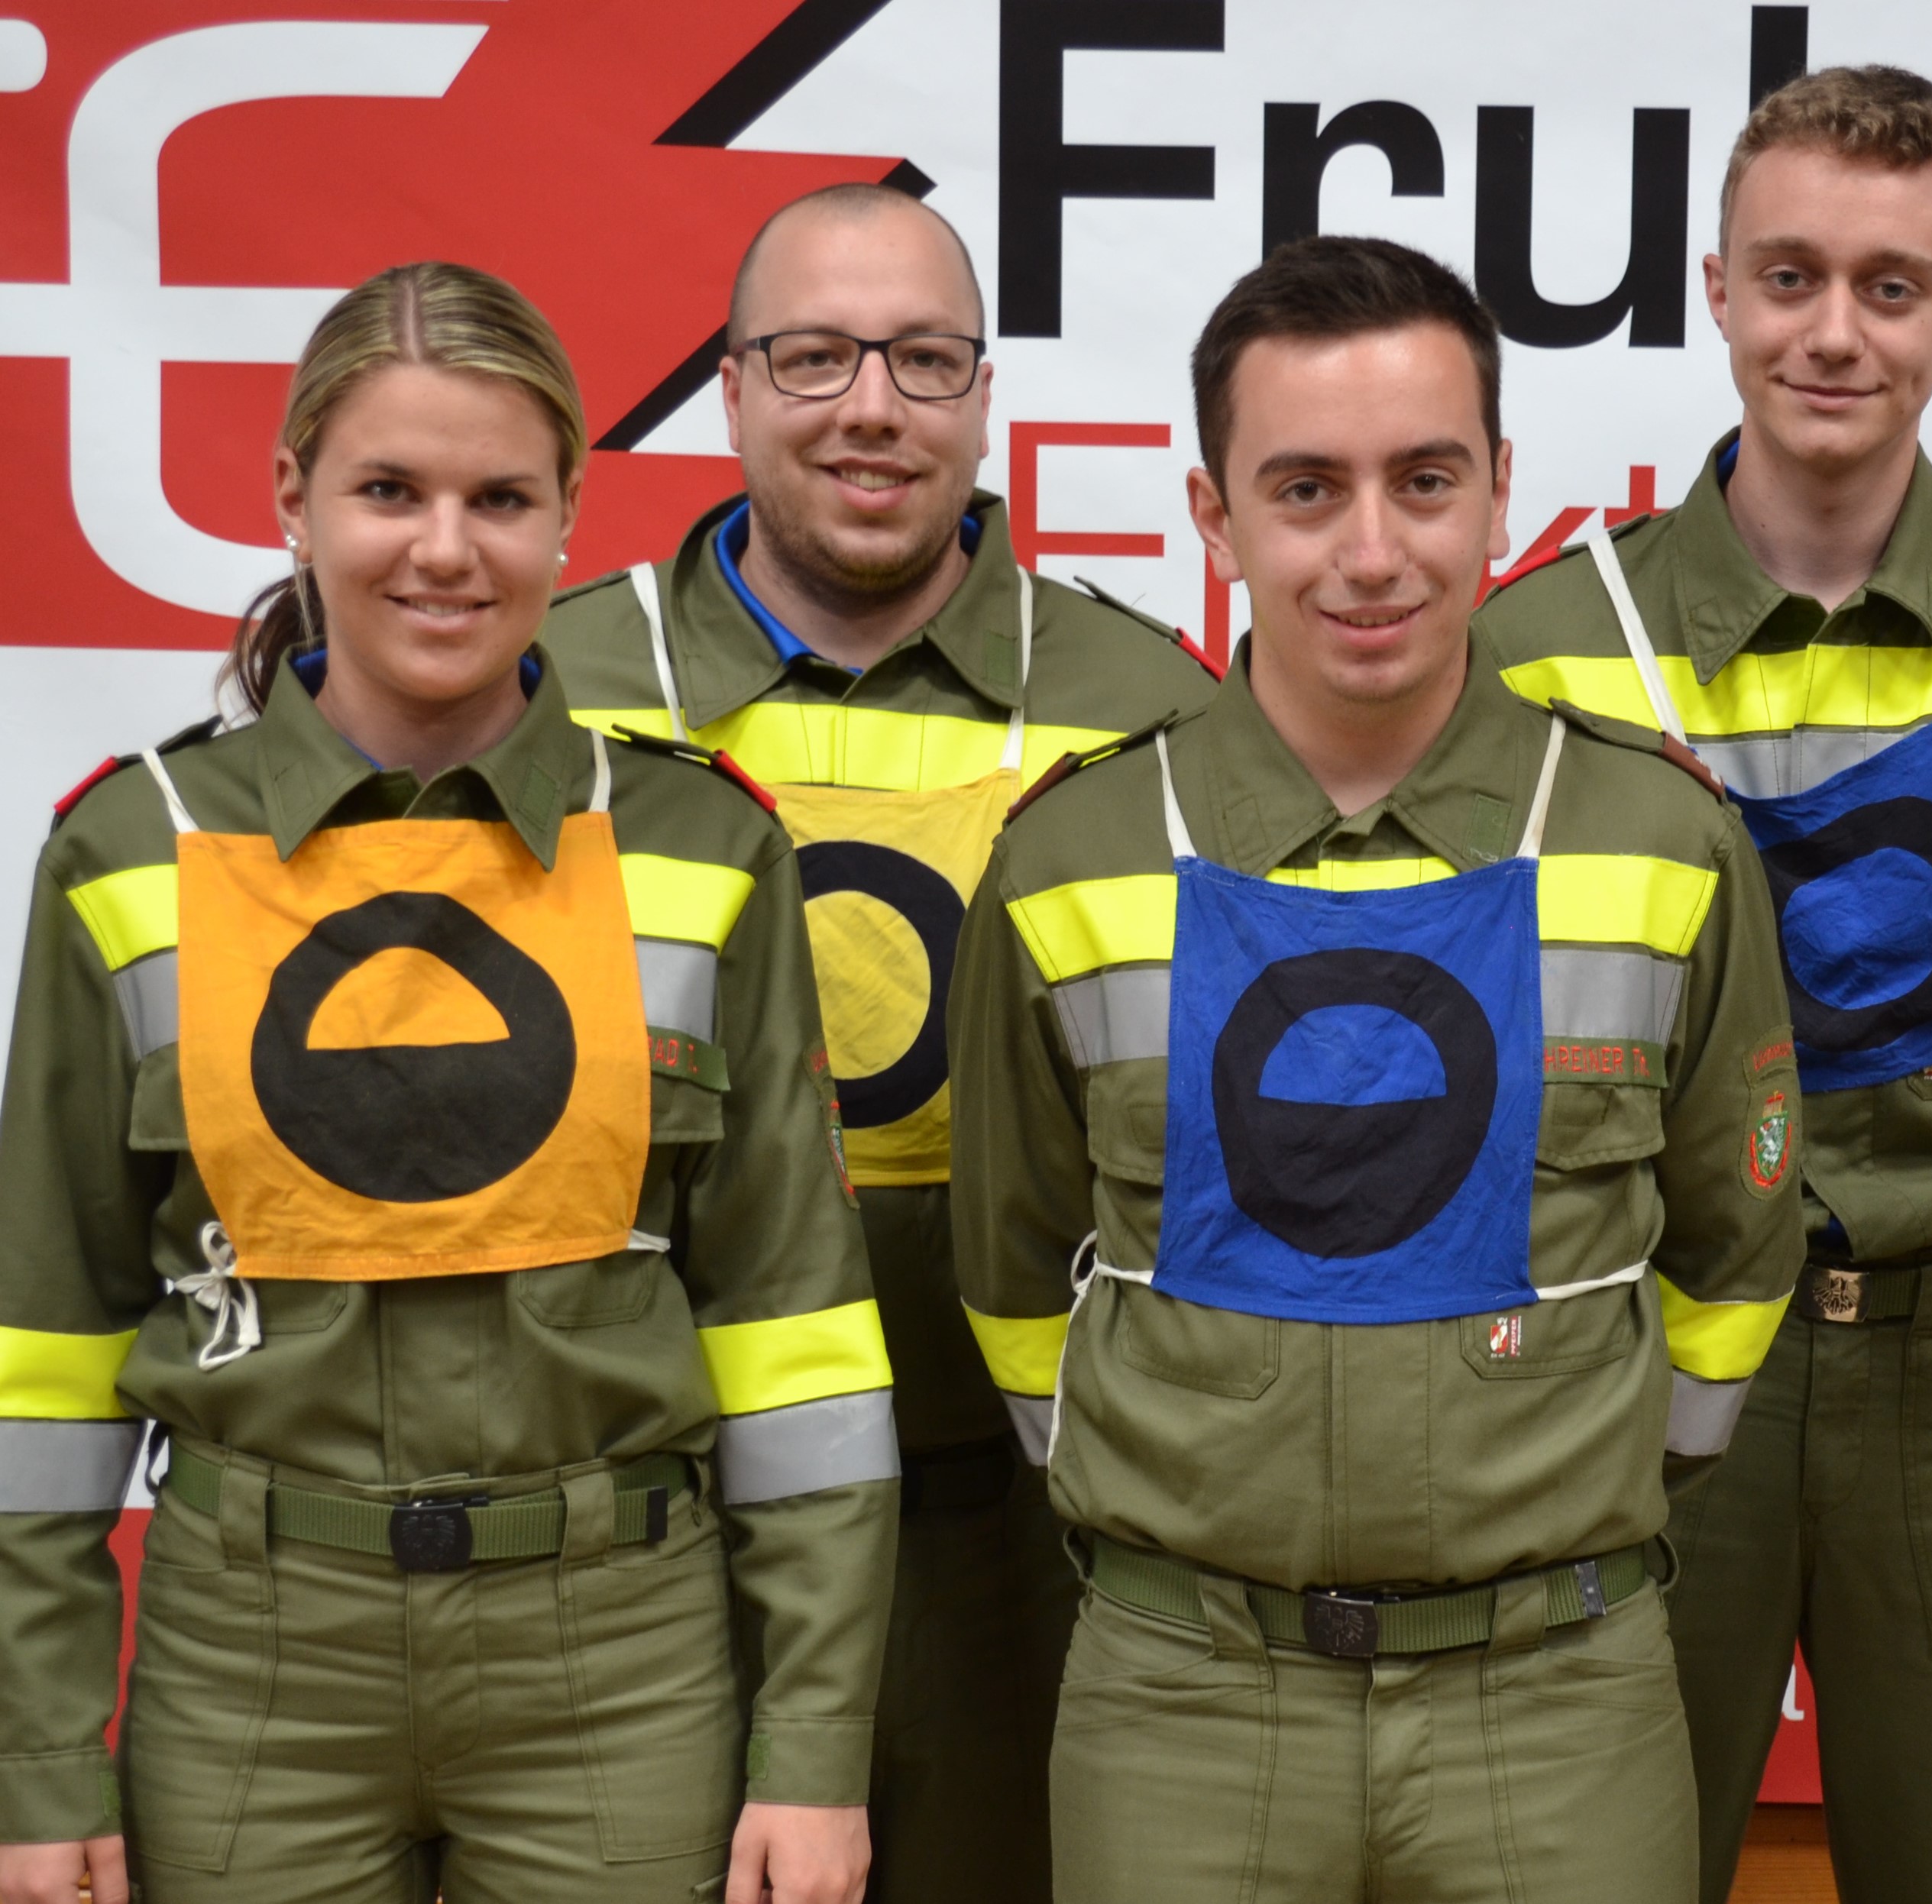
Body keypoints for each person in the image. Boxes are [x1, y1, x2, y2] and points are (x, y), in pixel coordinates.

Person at [0, 263, 895, 1904]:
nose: (444, 548)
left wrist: (814, 1746)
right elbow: (41, 1354)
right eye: (388, 490)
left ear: (570, 513)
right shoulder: (129, 852)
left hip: (620, 1661)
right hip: (251, 1666)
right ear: (293, 497)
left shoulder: (703, 845)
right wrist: (38, 1759)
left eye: (499, 498)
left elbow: (797, 1339)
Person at [944, 235, 1807, 1902]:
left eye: (1423, 480)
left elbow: (1735, 1250)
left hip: (1560, 1698)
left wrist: (1595, 1490)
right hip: (1180, 1701)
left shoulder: (1666, 841)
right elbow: (1012, 1265)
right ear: (1213, 516)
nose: (1369, 551)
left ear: (1500, 493)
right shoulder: (1070, 857)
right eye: (1304, 489)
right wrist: (1178, 1492)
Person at [1474, 64, 1932, 1902]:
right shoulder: (1536, 646)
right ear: (1714, 289)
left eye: (1890, 286)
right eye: (1788, 277)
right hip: (1640, 1356)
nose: (1834, 332)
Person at [540, 180, 1215, 1904]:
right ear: (730, 388)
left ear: (984, 397)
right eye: (815, 356)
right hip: (648, 1532)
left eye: (924, 359)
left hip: (1035, 1529)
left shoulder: (1154, 705)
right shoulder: (550, 686)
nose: (872, 406)